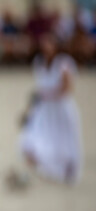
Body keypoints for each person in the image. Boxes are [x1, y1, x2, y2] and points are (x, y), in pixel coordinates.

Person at [20, 33, 82, 184]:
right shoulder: (39, 62)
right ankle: (42, 168)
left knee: (64, 139)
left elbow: (67, 88)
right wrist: (29, 109)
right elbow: (38, 89)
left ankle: (65, 169)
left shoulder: (63, 63)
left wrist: (47, 95)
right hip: (44, 110)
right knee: (34, 136)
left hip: (61, 108)